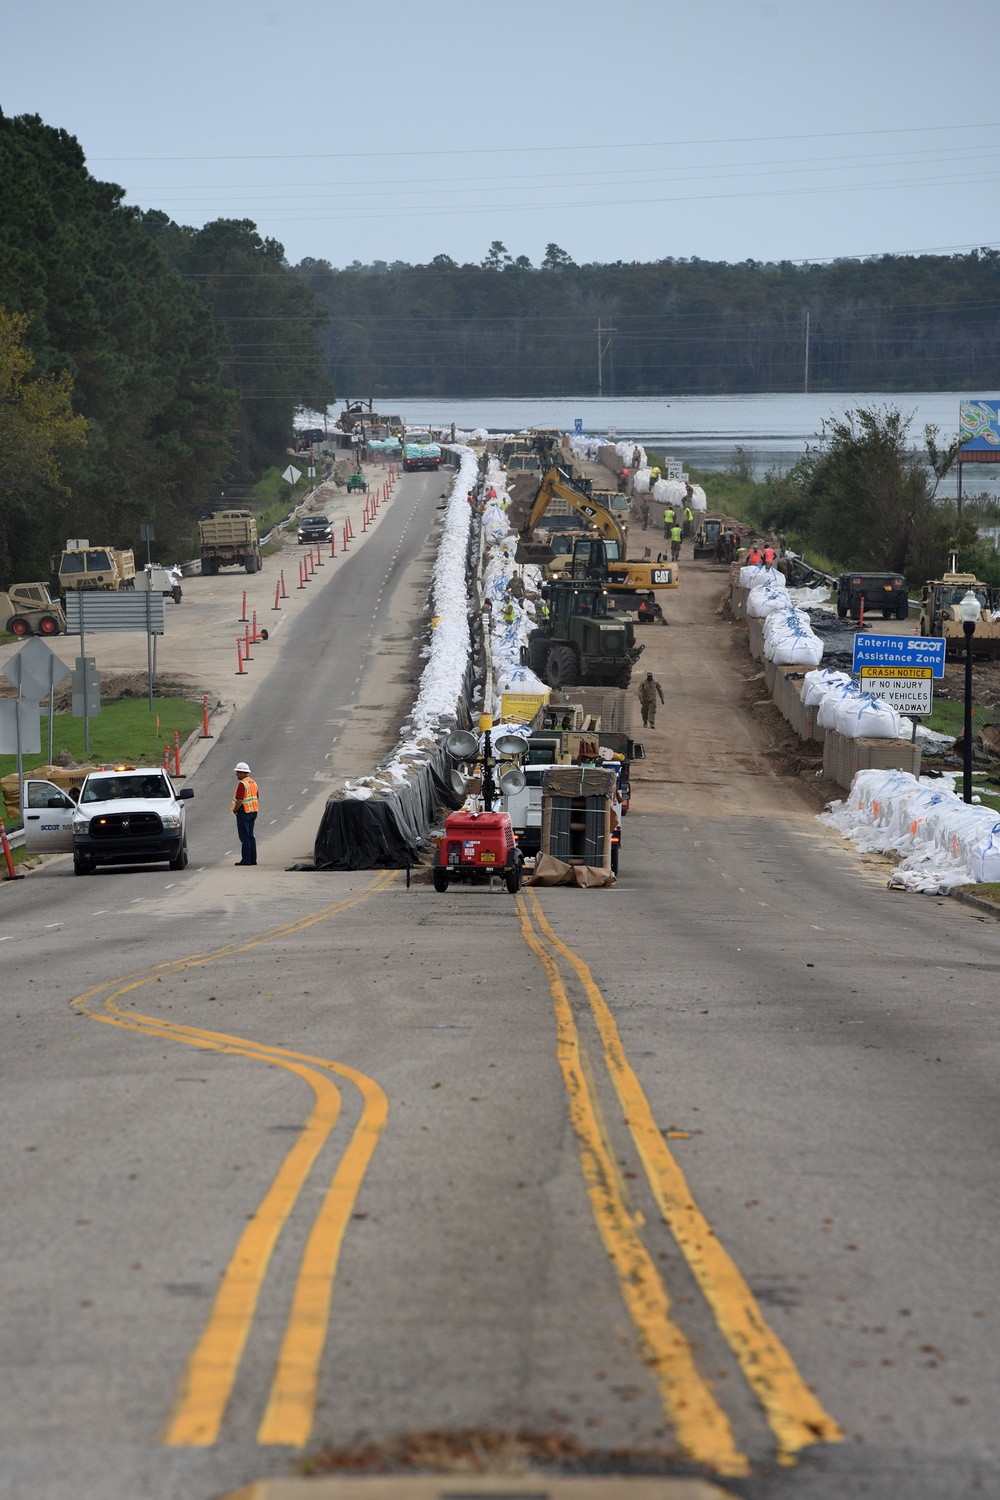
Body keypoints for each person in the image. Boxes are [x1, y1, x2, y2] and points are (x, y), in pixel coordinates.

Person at [232, 760, 259, 866]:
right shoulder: (253, 782)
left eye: (238, 772)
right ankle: (253, 859)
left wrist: (235, 809)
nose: (236, 774)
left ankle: (246, 860)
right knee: (251, 836)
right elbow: (256, 797)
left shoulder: (242, 784)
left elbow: (239, 799)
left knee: (244, 837)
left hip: (244, 812)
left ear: (242, 773)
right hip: (253, 812)